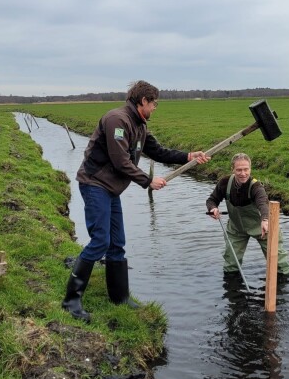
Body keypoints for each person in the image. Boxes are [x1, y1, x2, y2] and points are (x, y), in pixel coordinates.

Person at [62, 80, 210, 322]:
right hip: (95, 184)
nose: (155, 108)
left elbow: (159, 151)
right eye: (154, 104)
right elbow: (120, 161)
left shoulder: (140, 125)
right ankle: (71, 301)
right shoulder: (116, 120)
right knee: (100, 241)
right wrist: (147, 181)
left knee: (117, 243)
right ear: (143, 101)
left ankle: (119, 297)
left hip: (111, 189)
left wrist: (188, 156)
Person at [206, 153, 289, 277]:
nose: (243, 173)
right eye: (239, 170)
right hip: (236, 228)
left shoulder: (256, 186)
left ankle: (282, 285)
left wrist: (265, 220)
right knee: (231, 263)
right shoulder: (224, 183)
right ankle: (233, 290)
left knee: (278, 261)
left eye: (246, 169)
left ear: (250, 169)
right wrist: (213, 208)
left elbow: (263, 204)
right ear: (232, 169)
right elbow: (212, 200)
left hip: (262, 227)